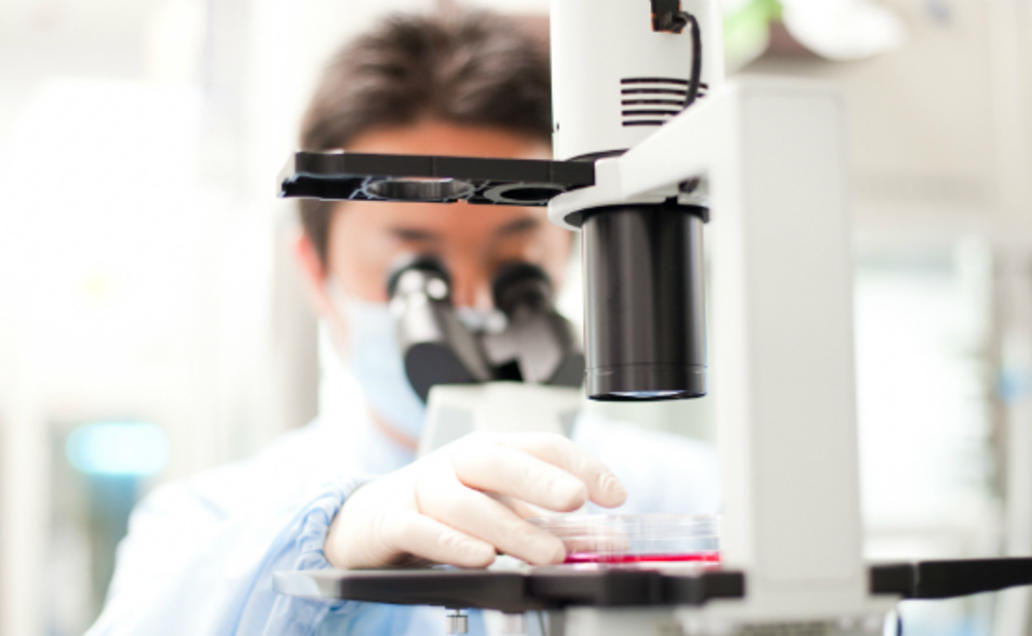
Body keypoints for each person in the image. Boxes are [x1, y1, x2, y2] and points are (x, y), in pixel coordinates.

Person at [87, 10, 719, 635]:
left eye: (513, 264)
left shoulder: (688, 497)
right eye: (417, 269)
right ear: (316, 271)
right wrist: (333, 541)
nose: (470, 302)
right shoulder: (206, 525)